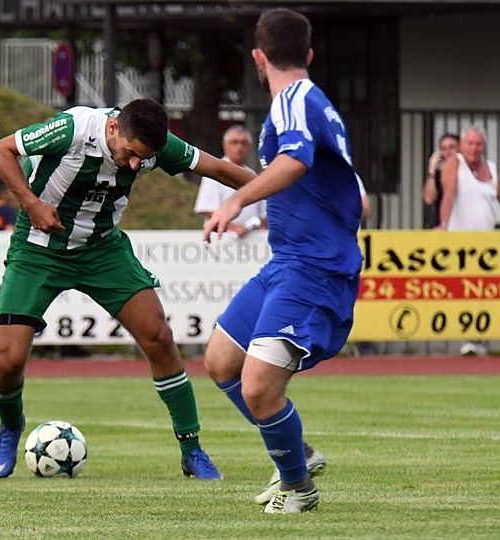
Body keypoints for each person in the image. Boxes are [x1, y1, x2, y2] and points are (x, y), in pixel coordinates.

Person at [0, 98, 255, 480]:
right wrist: (31, 204)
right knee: (9, 360)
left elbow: (219, 169)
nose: (134, 165)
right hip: (38, 249)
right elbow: (0, 150)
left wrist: (281, 189)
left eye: (142, 159)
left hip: (102, 251)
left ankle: (191, 449)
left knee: (159, 337)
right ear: (113, 128)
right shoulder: (73, 129)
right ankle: (11, 424)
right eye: (130, 153)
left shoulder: (155, 144)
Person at [201, 8, 363, 514]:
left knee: (258, 386)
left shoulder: (292, 100)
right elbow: (340, 187)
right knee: (221, 360)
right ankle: (300, 455)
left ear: (258, 57)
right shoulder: (313, 104)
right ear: (308, 53)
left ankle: (299, 487)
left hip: (314, 266)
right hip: (289, 260)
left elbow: (294, 160)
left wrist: (236, 200)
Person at [437, 126, 498, 356]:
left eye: (478, 143)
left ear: (484, 146)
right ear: (462, 145)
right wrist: (443, 224)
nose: (474, 148)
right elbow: (448, 194)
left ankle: (480, 338)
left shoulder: (492, 168)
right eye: (470, 143)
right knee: (463, 289)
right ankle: (467, 339)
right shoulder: (456, 163)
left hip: (487, 244)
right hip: (461, 243)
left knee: (485, 290)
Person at [194, 125, 265, 235]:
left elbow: (263, 213)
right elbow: (207, 209)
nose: (239, 147)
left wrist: (255, 226)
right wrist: (234, 228)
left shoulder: (252, 175)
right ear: (224, 145)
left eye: (243, 143)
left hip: (252, 237)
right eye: (234, 142)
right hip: (222, 236)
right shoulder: (214, 172)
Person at [423, 133, 460, 229]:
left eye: (451, 147)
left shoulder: (467, 171)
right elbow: (428, 199)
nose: (447, 152)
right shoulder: (438, 173)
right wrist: (431, 171)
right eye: (443, 148)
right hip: (442, 226)